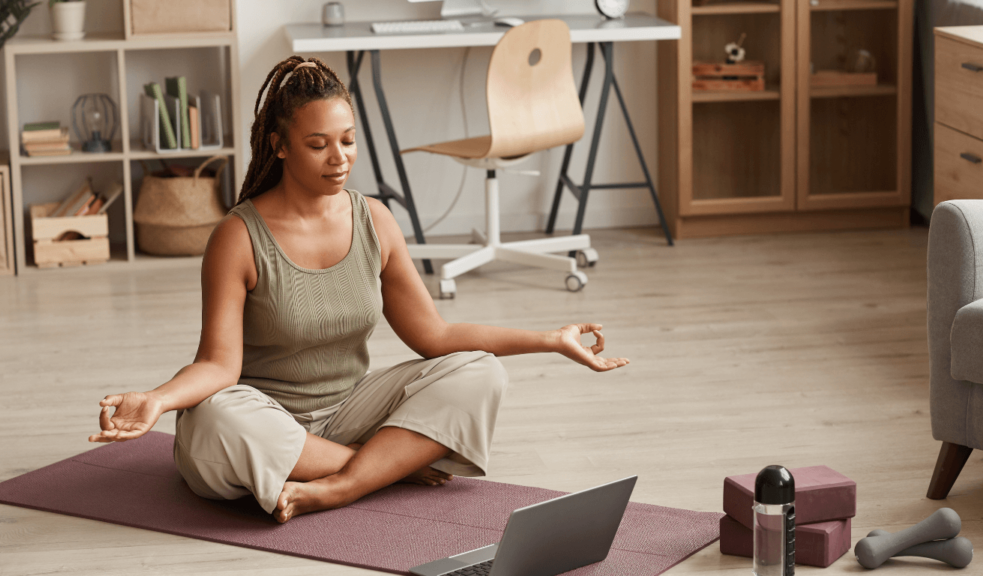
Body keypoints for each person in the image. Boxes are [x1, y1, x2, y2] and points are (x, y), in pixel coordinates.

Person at [89, 56, 629, 524]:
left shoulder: (375, 220)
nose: (339, 158)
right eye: (318, 145)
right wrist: (157, 400)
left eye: (348, 141)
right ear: (278, 146)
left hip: (349, 406)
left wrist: (551, 340)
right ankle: (384, 465)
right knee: (212, 421)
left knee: (480, 369)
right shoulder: (238, 236)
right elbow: (218, 367)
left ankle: (342, 485)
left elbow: (435, 335)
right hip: (262, 415)